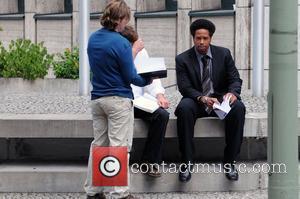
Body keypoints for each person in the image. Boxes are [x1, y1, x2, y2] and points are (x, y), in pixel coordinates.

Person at [84, 1, 150, 199]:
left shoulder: (93, 39)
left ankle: (93, 191)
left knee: (100, 146)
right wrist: (148, 78)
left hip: (98, 99)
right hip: (118, 100)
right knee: (119, 146)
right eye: (125, 20)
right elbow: (131, 76)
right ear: (119, 19)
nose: (125, 24)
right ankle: (118, 193)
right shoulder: (121, 42)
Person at [175, 19, 246, 182]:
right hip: (197, 100)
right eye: (198, 38)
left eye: (205, 38)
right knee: (184, 107)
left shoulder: (224, 54)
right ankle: (186, 162)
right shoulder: (182, 59)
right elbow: (184, 87)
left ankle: (230, 162)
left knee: (239, 108)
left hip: (220, 101)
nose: (201, 42)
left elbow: (235, 78)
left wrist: (233, 93)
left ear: (210, 38)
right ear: (193, 38)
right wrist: (201, 97)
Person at [121, 26, 170, 177]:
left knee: (162, 115)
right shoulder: (117, 52)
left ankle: (149, 161)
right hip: (120, 100)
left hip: (139, 101)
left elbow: (151, 77)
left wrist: (160, 95)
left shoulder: (141, 52)